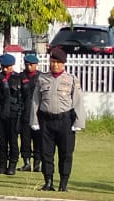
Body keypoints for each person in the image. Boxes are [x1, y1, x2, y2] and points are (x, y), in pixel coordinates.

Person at [29, 47, 84, 192]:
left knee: (65, 153)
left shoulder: (71, 79)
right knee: (46, 153)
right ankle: (48, 182)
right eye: (52, 61)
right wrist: (34, 120)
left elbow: (78, 101)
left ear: (63, 63)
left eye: (58, 62)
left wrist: (79, 122)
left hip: (65, 120)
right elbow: (35, 100)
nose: (55, 65)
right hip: (46, 120)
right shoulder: (42, 78)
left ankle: (63, 183)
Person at [0, 54, 23, 176]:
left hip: (13, 113)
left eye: (8, 67)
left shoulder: (17, 78)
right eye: (4, 67)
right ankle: (2, 165)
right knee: (1, 141)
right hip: (0, 113)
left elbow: (22, 97)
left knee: (13, 141)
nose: (6, 69)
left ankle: (12, 165)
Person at [18, 53, 41, 172]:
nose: (29, 67)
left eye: (32, 65)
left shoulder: (41, 77)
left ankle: (37, 163)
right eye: (27, 64)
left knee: (38, 139)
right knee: (25, 139)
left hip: (38, 113)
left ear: (36, 65)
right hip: (25, 111)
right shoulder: (21, 77)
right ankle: (26, 162)